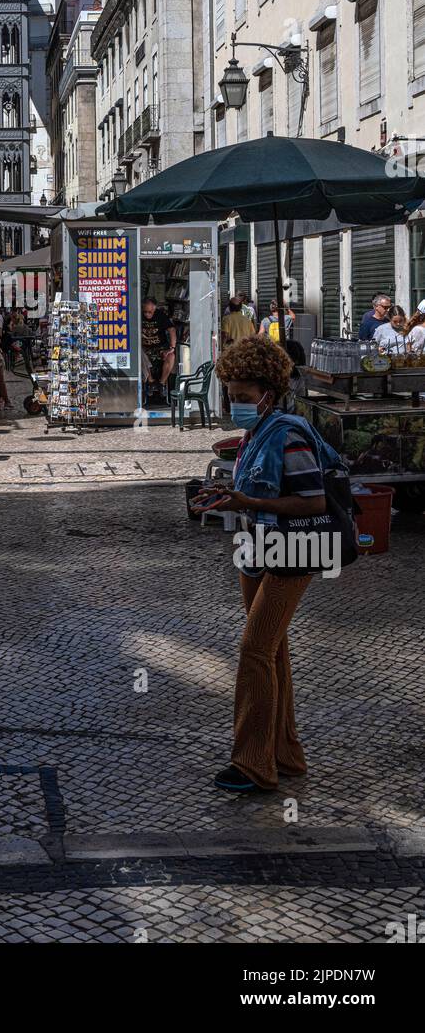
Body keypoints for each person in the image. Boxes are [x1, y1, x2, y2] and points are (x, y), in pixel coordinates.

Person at [207, 336, 343, 793]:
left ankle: (252, 764)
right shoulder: (254, 434)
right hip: (258, 545)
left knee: (255, 650)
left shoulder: (288, 434)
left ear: (268, 392)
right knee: (273, 649)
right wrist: (230, 499)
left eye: (243, 397)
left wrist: (248, 499)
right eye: (231, 394)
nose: (236, 403)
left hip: (293, 550)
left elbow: (313, 501)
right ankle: (285, 754)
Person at [141, 297, 177, 398]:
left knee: (171, 356)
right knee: (139, 354)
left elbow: (172, 330)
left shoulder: (160, 315)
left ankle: (161, 383)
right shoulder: (139, 315)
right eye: (145, 312)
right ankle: (150, 381)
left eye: (150, 312)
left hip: (160, 348)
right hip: (145, 349)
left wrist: (172, 347)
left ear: (155, 308)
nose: (147, 314)